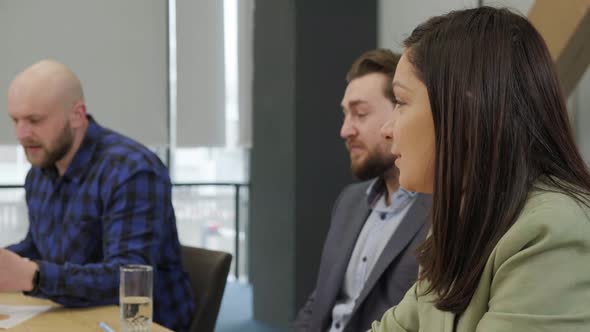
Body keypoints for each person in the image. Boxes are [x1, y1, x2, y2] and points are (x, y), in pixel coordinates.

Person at [371, 7, 590, 331]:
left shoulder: (552, 230)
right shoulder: (464, 218)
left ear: (465, 108)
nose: (386, 129)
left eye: (401, 103)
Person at [0, 60, 194, 331]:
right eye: (15, 120)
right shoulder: (40, 172)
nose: (21, 134)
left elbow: (127, 281)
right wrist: (9, 262)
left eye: (35, 120)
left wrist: (33, 276)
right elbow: (37, 246)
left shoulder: (132, 170)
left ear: (77, 115)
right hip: (73, 312)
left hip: (142, 324)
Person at [294, 49, 431, 332]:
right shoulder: (349, 202)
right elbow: (321, 300)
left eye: (360, 113)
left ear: (400, 112)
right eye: (345, 115)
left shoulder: (444, 212)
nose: (345, 130)